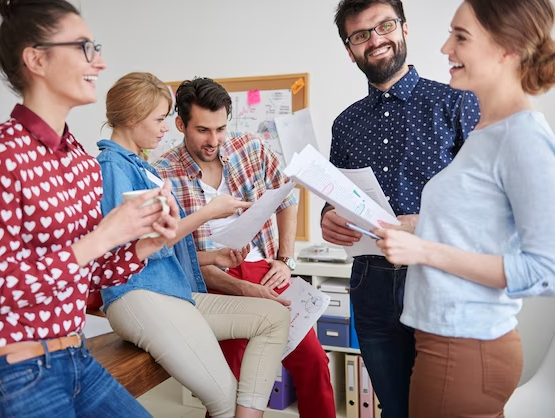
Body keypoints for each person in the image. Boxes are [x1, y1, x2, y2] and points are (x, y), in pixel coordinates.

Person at [0, 1, 179, 417]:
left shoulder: (79, 162)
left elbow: (91, 273)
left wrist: (145, 241)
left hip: (73, 355)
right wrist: (106, 234)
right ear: (36, 59)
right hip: (7, 368)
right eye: (85, 48)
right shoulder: (0, 156)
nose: (101, 62)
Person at [374, 0, 555, 416]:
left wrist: (425, 251)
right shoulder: (485, 132)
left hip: (465, 348)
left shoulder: (522, 138)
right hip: (447, 343)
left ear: (506, 48)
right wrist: (419, 226)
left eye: (461, 37)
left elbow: (544, 270)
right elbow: (482, 224)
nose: (444, 48)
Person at [96, 72, 291, 418]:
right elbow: (145, 248)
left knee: (274, 317)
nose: (163, 128)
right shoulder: (113, 166)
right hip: (141, 295)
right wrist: (208, 213)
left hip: (172, 291)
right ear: (130, 118)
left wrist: (213, 256)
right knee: (223, 399)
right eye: (158, 119)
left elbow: (165, 247)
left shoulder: (139, 166)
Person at [321, 1, 480, 417]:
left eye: (384, 26)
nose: (375, 40)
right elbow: (334, 196)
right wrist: (328, 220)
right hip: (369, 282)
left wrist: (424, 224)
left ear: (404, 28)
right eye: (360, 35)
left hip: (439, 275)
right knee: (395, 409)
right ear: (349, 49)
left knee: (444, 409)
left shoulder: (458, 103)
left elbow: (489, 205)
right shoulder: (345, 123)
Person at [154, 77, 336, 418]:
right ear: (180, 124)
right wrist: (242, 289)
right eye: (203, 131)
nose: (214, 141)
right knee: (232, 381)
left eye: (221, 129)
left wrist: (285, 259)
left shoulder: (249, 148)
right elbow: (176, 256)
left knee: (313, 360)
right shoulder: (163, 174)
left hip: (264, 269)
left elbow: (288, 197)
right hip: (211, 280)